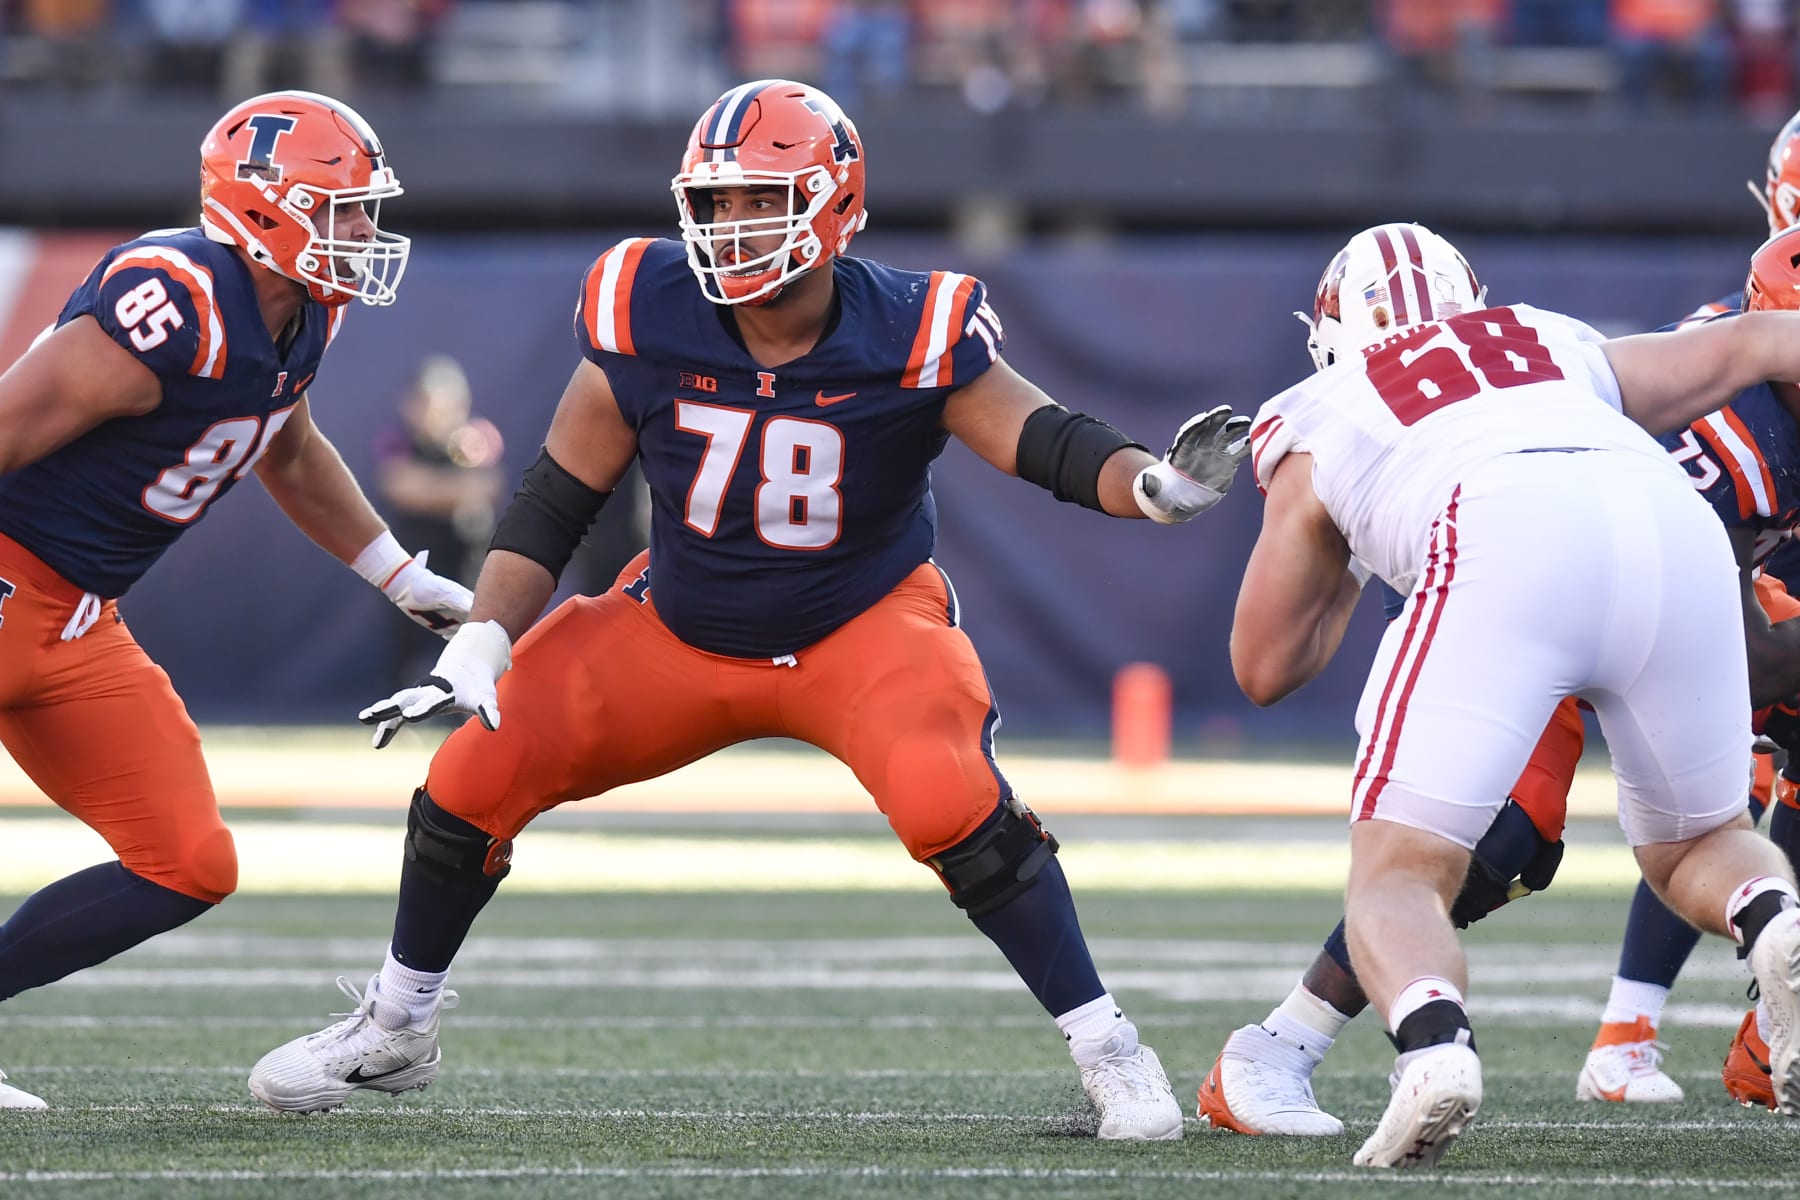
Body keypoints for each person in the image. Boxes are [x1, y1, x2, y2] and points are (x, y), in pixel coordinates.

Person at [246, 79, 1250, 1139]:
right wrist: (486, 639)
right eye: (716, 202)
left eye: (762, 199)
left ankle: (1110, 1050)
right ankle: (397, 1025)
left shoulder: (911, 325)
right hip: (678, 629)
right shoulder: (646, 304)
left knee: (948, 796)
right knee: (473, 770)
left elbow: (1043, 438)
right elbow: (557, 496)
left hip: (859, 627)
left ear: (835, 204)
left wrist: (1153, 487)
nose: (733, 225)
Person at [1199, 221, 1800, 1136]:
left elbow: (1264, 667)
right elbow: (1753, 342)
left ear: (1328, 339)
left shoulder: (1319, 408)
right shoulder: (1546, 336)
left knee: (1401, 872)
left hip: (1498, 537)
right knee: (1697, 843)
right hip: (1671, 527)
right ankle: (1774, 919)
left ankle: (1434, 1048)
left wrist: (1341, 533)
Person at [0, 90, 473, 1111]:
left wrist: (400, 575)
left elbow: (285, 447)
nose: (362, 232)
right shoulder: (176, 301)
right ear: (262, 208)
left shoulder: (304, 311)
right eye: (340, 209)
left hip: (80, 620)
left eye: (365, 210)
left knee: (186, 863)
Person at [1579, 109, 1800, 1110]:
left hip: (1733, 572)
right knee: (1502, 843)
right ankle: (1291, 1039)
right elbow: (1721, 637)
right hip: (1609, 587)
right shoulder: (1734, 414)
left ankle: (1761, 1032)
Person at [373, 355, 506, 684]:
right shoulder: (399, 440)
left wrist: (437, 487)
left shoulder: (476, 438)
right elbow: (402, 487)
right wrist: (455, 490)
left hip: (467, 560)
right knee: (408, 649)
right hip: (414, 562)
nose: (440, 412)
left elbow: (489, 485)